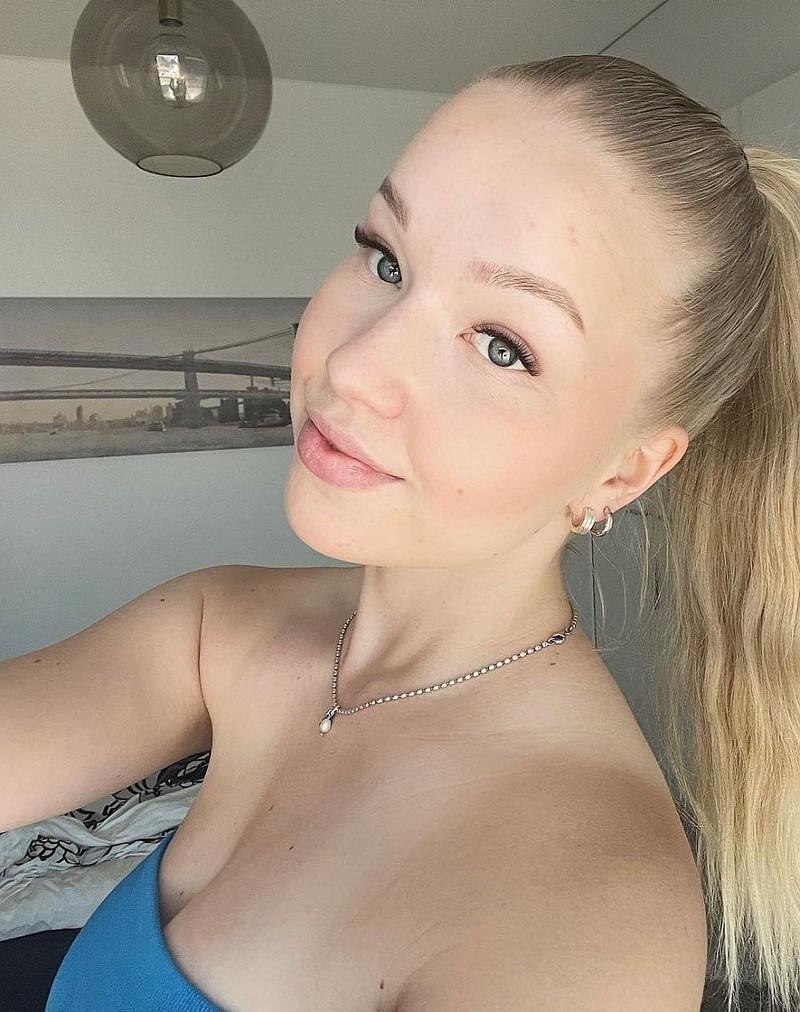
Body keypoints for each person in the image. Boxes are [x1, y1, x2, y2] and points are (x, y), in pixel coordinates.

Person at [6, 52, 800, 1012]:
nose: (351, 367)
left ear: (625, 471)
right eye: (386, 259)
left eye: (502, 346)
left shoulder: (581, 925)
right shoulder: (222, 626)